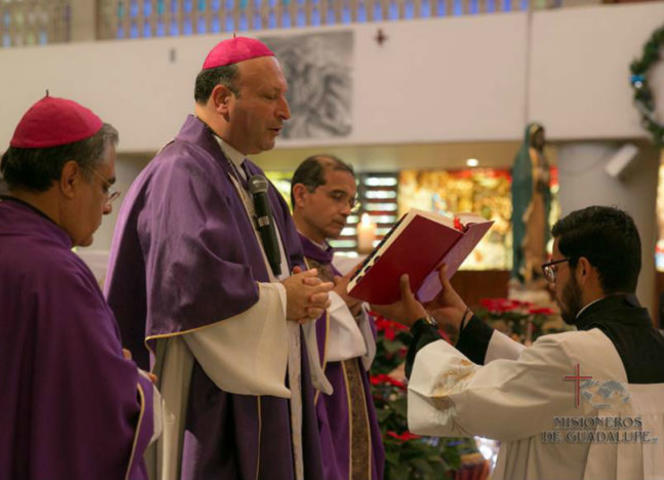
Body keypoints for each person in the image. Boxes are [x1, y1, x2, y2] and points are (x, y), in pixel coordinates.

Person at [105, 37, 333, 480]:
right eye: (271, 97)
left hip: (261, 389)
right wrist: (282, 302)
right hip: (210, 397)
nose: (285, 113)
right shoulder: (182, 171)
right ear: (223, 99)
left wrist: (307, 292)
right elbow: (190, 288)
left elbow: (288, 266)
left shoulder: (248, 174)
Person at [0, 95, 158, 479]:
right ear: (71, 178)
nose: (107, 206)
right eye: (106, 185)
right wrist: (136, 382)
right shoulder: (57, 274)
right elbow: (101, 412)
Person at [375, 206, 664, 479]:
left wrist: (421, 326)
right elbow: (537, 378)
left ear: (583, 269)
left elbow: (475, 399)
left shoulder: (572, 354)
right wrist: (466, 324)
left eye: (554, 268)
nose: (552, 282)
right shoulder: (652, 345)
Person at [290, 155, 384, 480]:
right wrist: (341, 302)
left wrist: (355, 310)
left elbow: (363, 353)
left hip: (349, 402)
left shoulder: (332, 266)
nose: (346, 210)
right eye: (336, 197)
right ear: (301, 195)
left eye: (350, 202)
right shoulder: (283, 264)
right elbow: (282, 336)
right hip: (313, 406)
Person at [511, 123, 551, 288]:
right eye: (538, 136)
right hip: (528, 205)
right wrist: (536, 176)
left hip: (540, 203)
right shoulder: (525, 157)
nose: (541, 140)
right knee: (527, 238)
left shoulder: (542, 157)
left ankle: (536, 271)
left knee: (539, 239)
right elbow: (520, 182)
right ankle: (524, 270)